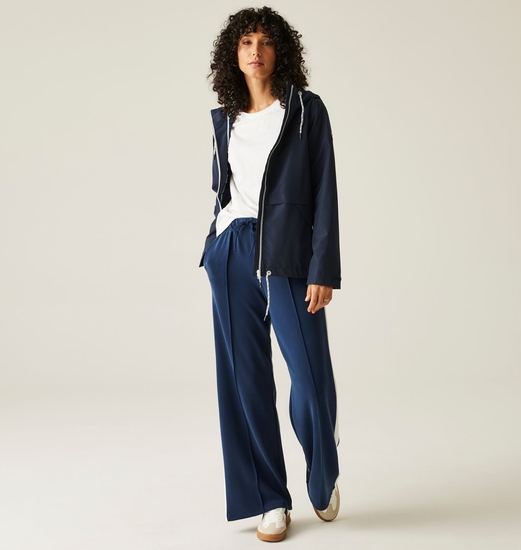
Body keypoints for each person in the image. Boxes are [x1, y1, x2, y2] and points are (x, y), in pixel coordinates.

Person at [200, 7, 341, 543]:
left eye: (264, 41)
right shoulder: (225, 119)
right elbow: (225, 188)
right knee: (245, 380)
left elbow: (325, 191)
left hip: (288, 253)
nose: (254, 50)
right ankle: (270, 500)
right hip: (232, 250)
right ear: (233, 55)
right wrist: (215, 243)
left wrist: (322, 266)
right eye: (245, 42)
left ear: (280, 50)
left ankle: (322, 473)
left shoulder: (305, 111)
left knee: (310, 376)